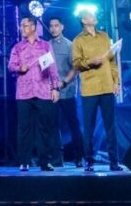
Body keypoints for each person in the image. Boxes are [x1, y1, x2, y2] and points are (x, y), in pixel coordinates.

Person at [72, 9, 121, 172]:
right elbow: (76, 63)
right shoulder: (78, 40)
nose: (94, 17)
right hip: (90, 89)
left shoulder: (104, 36)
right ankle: (88, 160)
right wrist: (90, 62)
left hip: (107, 86)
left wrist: (116, 81)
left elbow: (112, 61)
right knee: (89, 127)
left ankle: (114, 161)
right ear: (83, 21)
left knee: (110, 126)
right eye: (90, 15)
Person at [9, 16, 59, 171]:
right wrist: (19, 68)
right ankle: (24, 161)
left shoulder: (45, 45)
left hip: (43, 91)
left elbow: (52, 68)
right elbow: (10, 65)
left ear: (33, 27)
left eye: (24, 25)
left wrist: (55, 88)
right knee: (24, 129)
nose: (22, 28)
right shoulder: (18, 47)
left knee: (44, 128)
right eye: (21, 26)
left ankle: (45, 161)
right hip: (24, 93)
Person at [47, 16, 84, 168]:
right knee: (52, 126)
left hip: (67, 92)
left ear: (62, 27)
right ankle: (57, 159)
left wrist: (64, 82)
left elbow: (75, 68)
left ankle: (79, 157)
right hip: (51, 93)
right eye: (51, 26)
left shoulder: (70, 45)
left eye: (56, 25)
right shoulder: (46, 46)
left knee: (73, 124)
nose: (53, 28)